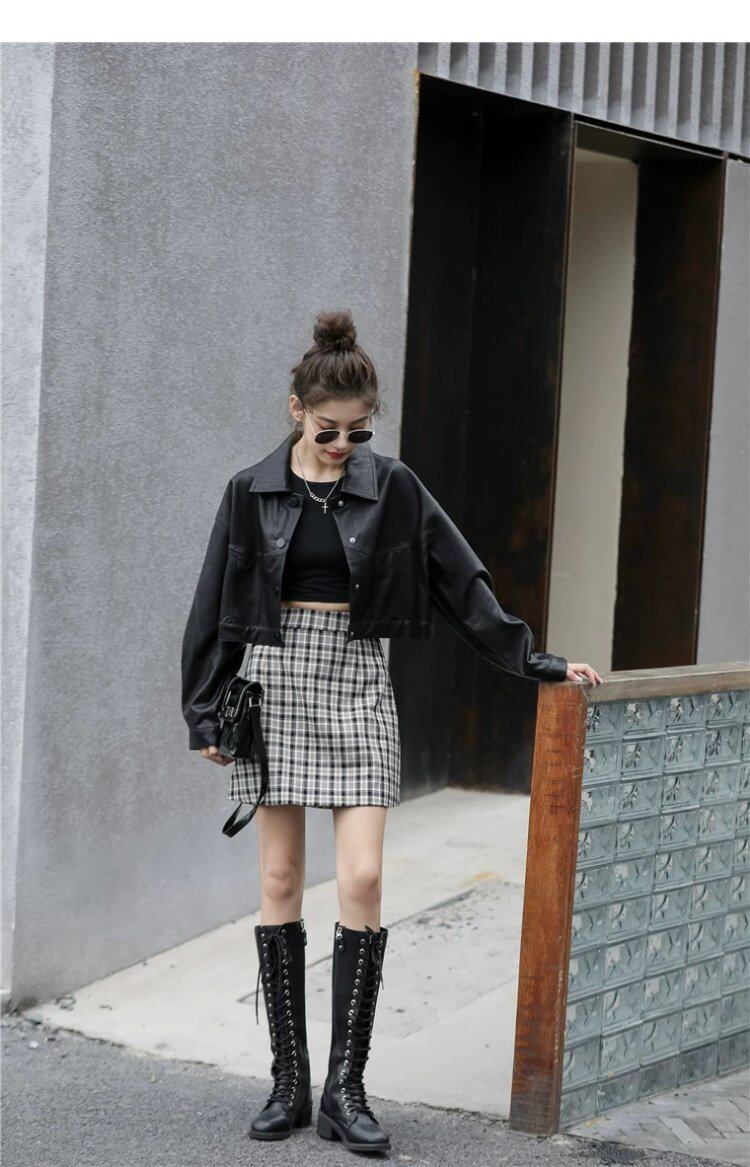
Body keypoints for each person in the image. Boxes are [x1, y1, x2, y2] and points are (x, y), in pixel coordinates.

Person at [181, 309, 602, 1154]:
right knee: (279, 876)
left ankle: (347, 1088)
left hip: (357, 680)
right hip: (274, 681)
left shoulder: (395, 487)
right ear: (296, 409)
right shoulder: (249, 490)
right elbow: (215, 601)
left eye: (360, 431)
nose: (344, 445)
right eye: (329, 430)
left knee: (365, 876)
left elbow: (461, 581)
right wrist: (204, 708)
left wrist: (534, 659)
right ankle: (290, 1081)